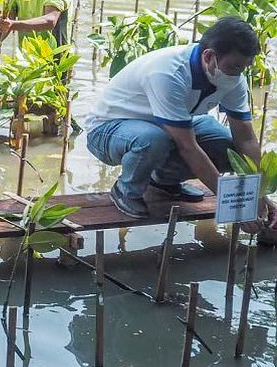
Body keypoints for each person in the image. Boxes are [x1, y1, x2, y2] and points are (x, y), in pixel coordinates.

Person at [85, 17, 270, 228]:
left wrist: (260, 195)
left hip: (165, 127)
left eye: (244, 67)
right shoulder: (168, 73)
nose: (239, 74)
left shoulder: (233, 78)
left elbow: (245, 140)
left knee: (226, 145)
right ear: (209, 56)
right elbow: (187, 146)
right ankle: (126, 190)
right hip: (108, 130)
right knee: (153, 139)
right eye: (235, 66)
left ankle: (163, 181)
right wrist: (235, 205)